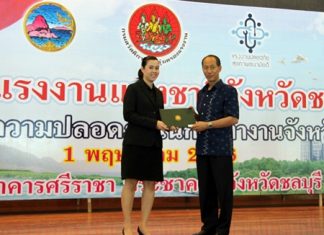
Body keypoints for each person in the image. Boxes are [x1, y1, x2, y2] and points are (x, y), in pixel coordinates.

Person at [191, 54, 239, 235]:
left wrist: (207, 124)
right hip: (203, 148)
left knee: (224, 192)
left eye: (212, 67)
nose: (209, 71)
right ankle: (208, 227)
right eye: (206, 67)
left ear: (220, 68)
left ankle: (222, 229)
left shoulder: (229, 91)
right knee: (206, 192)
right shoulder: (201, 93)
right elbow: (203, 121)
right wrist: (194, 118)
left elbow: (233, 118)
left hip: (221, 149)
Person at [121, 55, 169, 235]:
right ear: (142, 69)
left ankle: (143, 225)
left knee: (150, 186)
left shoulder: (159, 93)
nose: (154, 71)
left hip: (154, 144)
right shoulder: (133, 89)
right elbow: (129, 115)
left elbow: (161, 118)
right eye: (151, 67)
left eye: (157, 68)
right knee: (130, 184)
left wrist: (168, 124)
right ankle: (127, 226)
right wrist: (154, 123)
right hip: (135, 143)